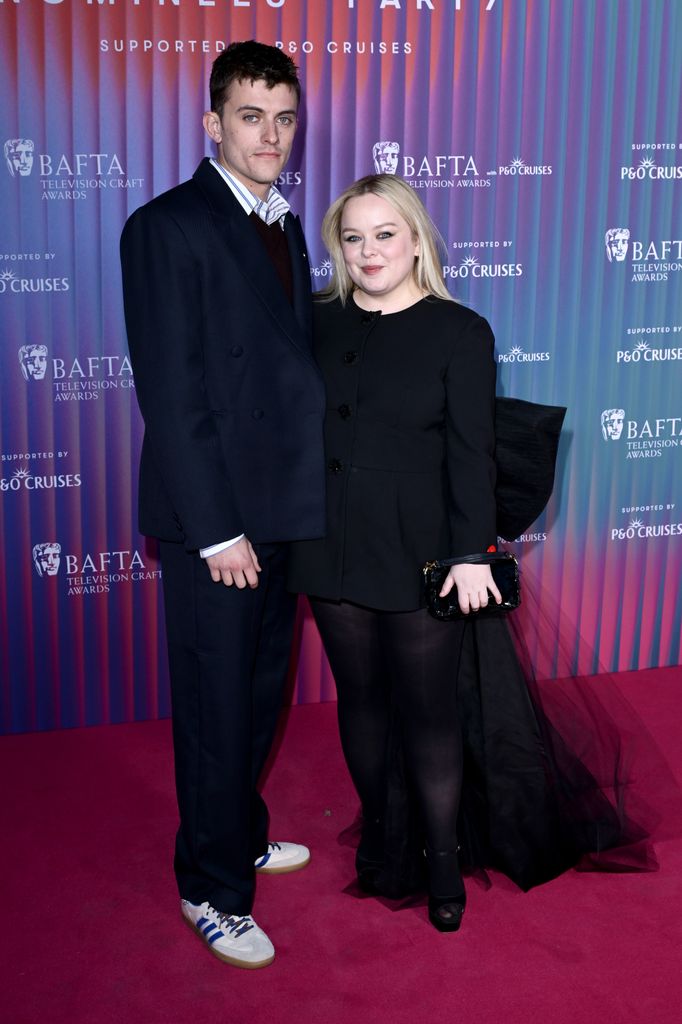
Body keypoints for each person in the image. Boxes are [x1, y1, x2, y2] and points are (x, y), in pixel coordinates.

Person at [288, 174, 660, 933]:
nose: (368, 251)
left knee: (429, 711)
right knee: (359, 702)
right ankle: (388, 843)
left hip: (423, 552)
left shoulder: (460, 330)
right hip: (329, 546)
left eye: (385, 233)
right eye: (352, 237)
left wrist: (470, 556)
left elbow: (470, 454)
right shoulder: (317, 322)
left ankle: (446, 860)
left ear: (417, 238)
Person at [120, 41, 325, 969]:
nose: (270, 135)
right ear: (213, 124)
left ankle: (237, 834)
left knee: (253, 694)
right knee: (214, 705)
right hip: (222, 525)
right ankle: (211, 889)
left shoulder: (282, 223)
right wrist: (216, 530)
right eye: (251, 116)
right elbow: (172, 390)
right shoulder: (167, 227)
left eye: (284, 118)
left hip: (280, 510)